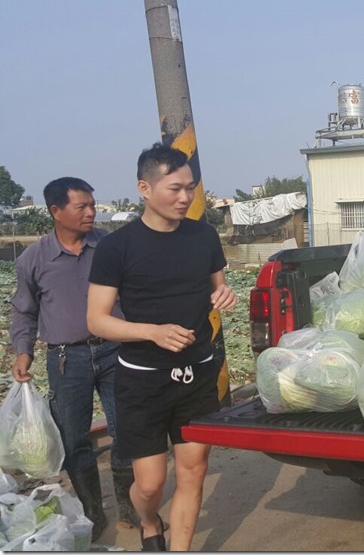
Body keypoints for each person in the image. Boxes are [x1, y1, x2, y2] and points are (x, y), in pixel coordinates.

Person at [87, 144, 236, 551]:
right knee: (150, 485)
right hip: (143, 380)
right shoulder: (117, 247)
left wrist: (225, 294)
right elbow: (97, 319)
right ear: (144, 188)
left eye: (190, 188)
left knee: (194, 471)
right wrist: (152, 332)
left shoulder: (204, 236)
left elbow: (218, 286)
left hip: (197, 373)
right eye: (174, 189)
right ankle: (150, 520)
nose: (185, 198)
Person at [10, 177, 141, 539]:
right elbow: (23, 311)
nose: (91, 212)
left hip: (118, 351)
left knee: (126, 429)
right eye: (81, 206)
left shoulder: (110, 246)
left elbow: (136, 289)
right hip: (68, 360)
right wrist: (23, 352)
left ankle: (130, 505)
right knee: (75, 440)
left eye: (92, 205)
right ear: (56, 211)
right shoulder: (34, 259)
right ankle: (93, 513)